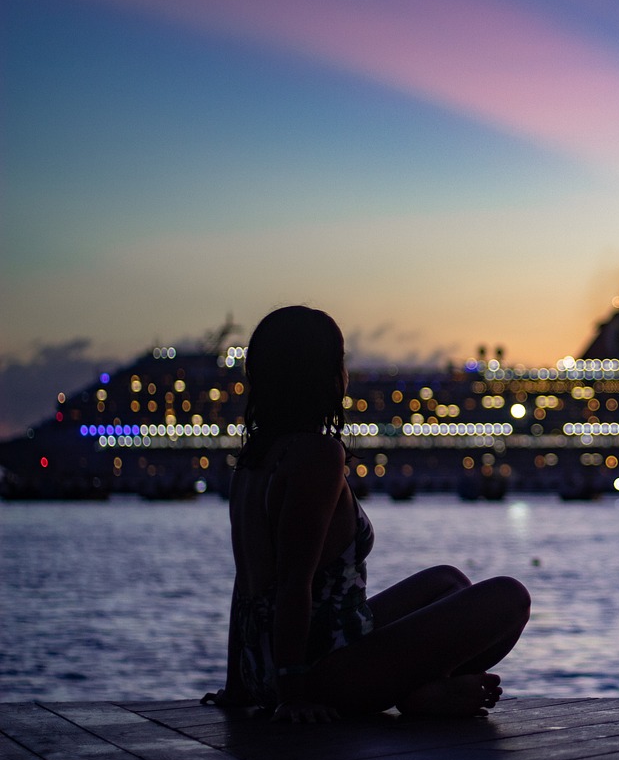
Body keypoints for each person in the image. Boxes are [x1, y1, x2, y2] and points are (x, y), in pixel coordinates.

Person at [204, 306, 530, 723]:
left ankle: (425, 686)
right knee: (510, 597)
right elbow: (292, 585)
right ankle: (422, 694)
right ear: (322, 374)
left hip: (267, 667)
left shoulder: (254, 460)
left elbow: (246, 585)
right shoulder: (317, 455)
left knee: (447, 580)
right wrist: (295, 696)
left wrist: (239, 685)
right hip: (318, 673)